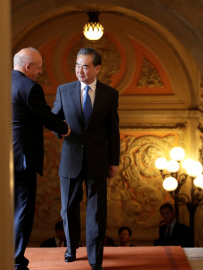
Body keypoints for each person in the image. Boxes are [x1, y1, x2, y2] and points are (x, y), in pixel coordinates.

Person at [52, 47, 120, 270]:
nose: (80, 70)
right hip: (70, 159)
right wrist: (61, 130)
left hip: (98, 160)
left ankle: (95, 258)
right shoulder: (64, 90)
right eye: (77, 65)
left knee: (97, 212)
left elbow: (113, 131)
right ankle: (71, 249)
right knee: (69, 208)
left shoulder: (110, 94)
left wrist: (114, 162)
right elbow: (54, 122)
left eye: (85, 66)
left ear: (97, 68)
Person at [12, 47, 71, 270]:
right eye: (38, 67)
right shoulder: (30, 87)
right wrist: (65, 128)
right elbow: (45, 116)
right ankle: (17, 261)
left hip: (0, 158)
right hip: (23, 158)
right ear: (28, 67)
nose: (40, 71)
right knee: (23, 210)